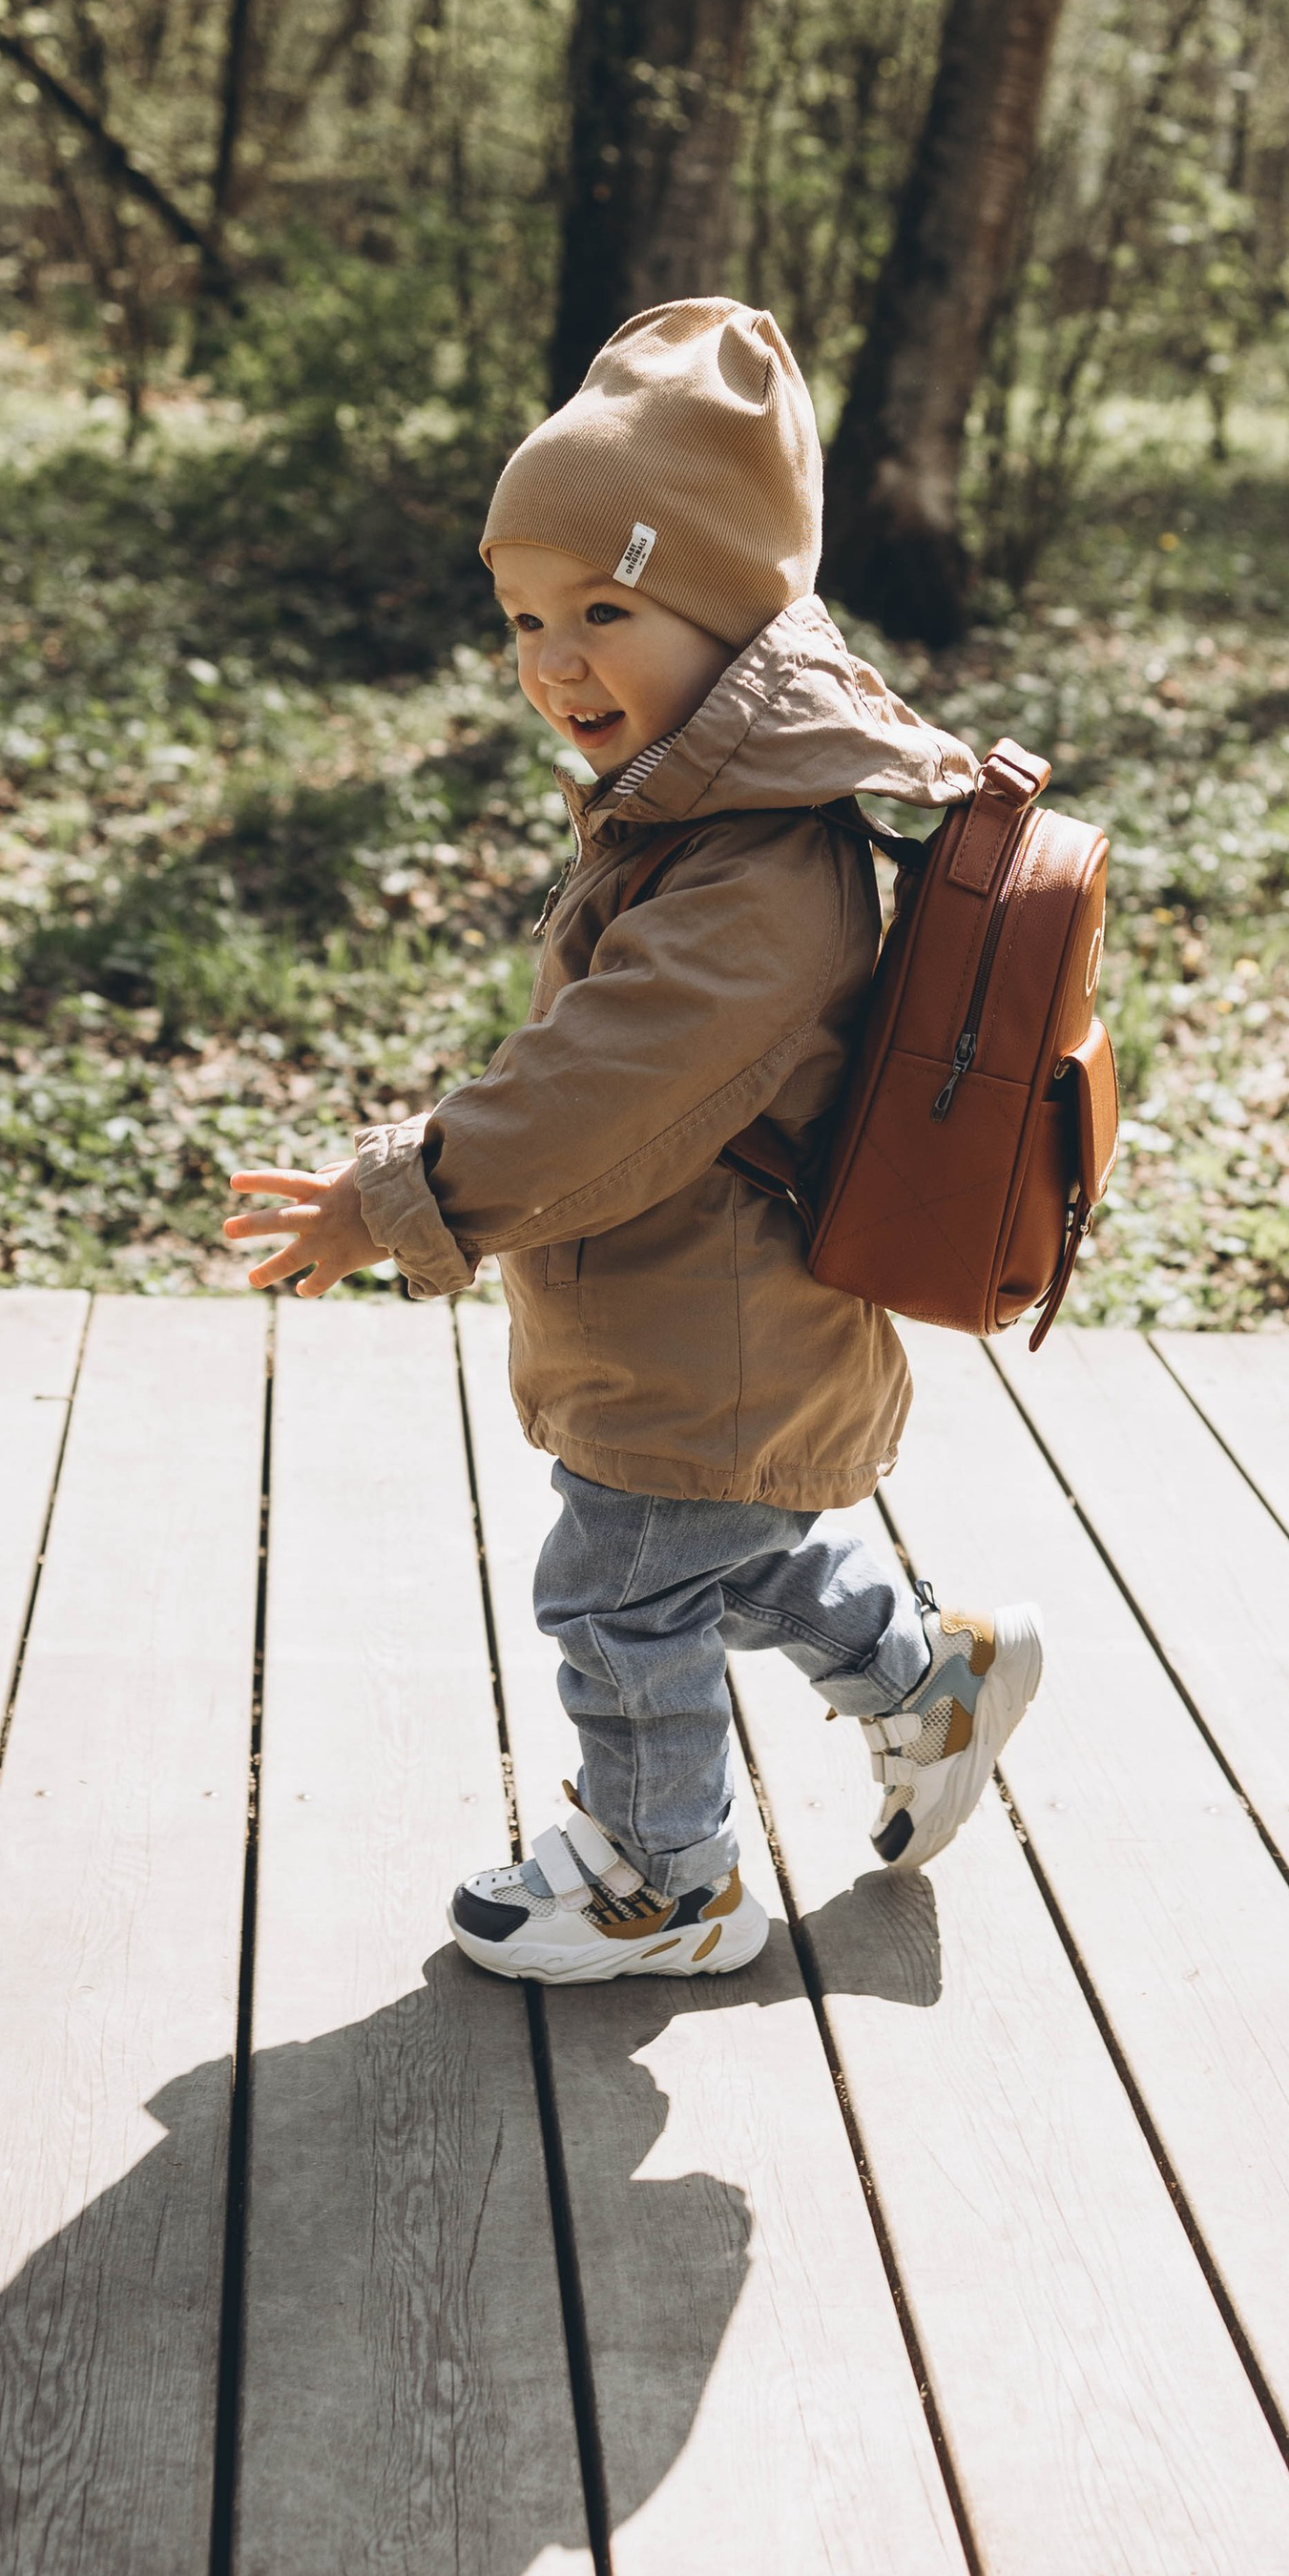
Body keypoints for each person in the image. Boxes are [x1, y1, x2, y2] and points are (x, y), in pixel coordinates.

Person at [224, 297, 1043, 1984]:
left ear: (734, 620)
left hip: (709, 1322)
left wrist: (397, 1197)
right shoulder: (704, 810)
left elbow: (606, 1083)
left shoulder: (755, 869)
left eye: (606, 608)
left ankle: (666, 1883)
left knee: (616, 1595)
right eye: (525, 617)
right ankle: (927, 1678)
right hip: (704, 1314)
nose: (554, 660)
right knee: (715, 1553)